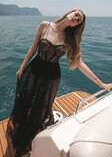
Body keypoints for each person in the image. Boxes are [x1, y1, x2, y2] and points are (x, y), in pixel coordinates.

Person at [7, 10, 112, 157]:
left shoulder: (71, 39)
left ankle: (41, 126)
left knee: (42, 106)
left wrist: (102, 84)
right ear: (69, 12)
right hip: (35, 70)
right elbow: (32, 49)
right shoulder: (45, 25)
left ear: (77, 25)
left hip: (51, 77)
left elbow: (80, 64)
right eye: (76, 14)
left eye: (78, 19)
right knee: (26, 101)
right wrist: (21, 68)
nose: (76, 18)